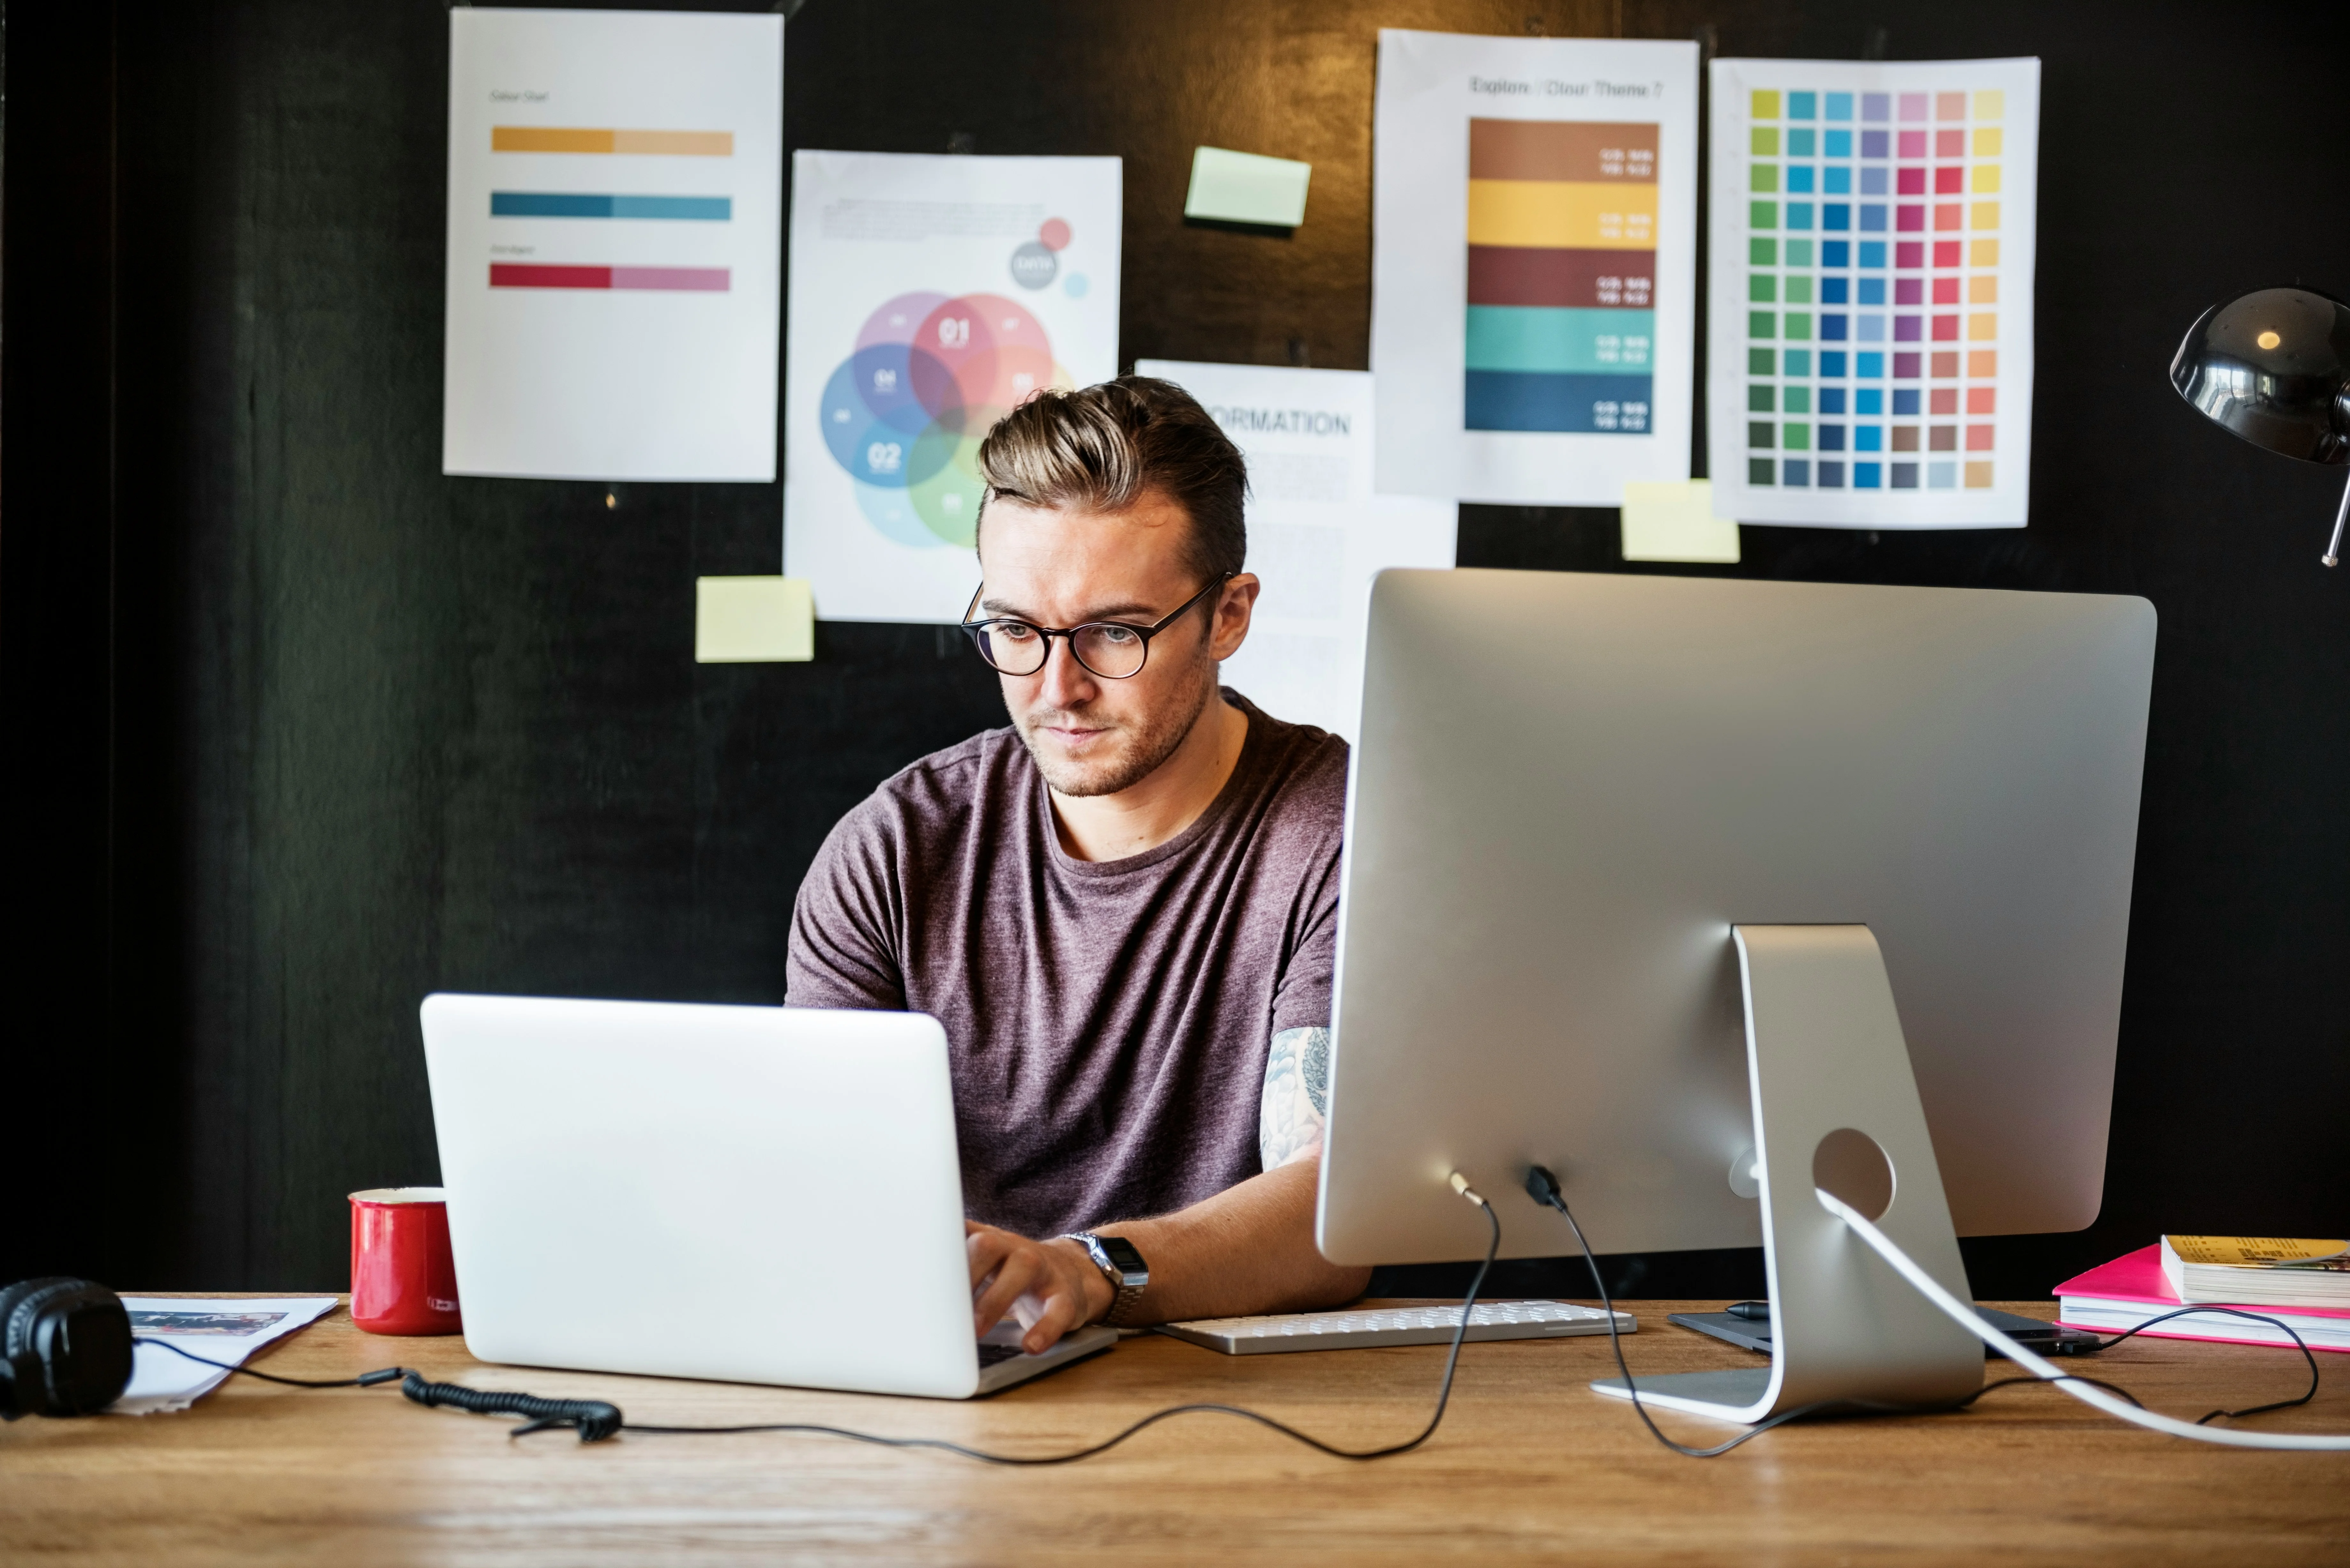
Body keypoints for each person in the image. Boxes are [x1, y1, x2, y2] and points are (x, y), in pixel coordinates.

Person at [786, 376, 1369, 1353]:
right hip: (962, 1379)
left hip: (1257, 1400)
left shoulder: (1342, 837)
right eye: (1016, 630)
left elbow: (1334, 1219)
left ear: (1227, 615)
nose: (1058, 689)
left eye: (1114, 633)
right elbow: (818, 1180)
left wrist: (1091, 1271)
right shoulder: (893, 852)